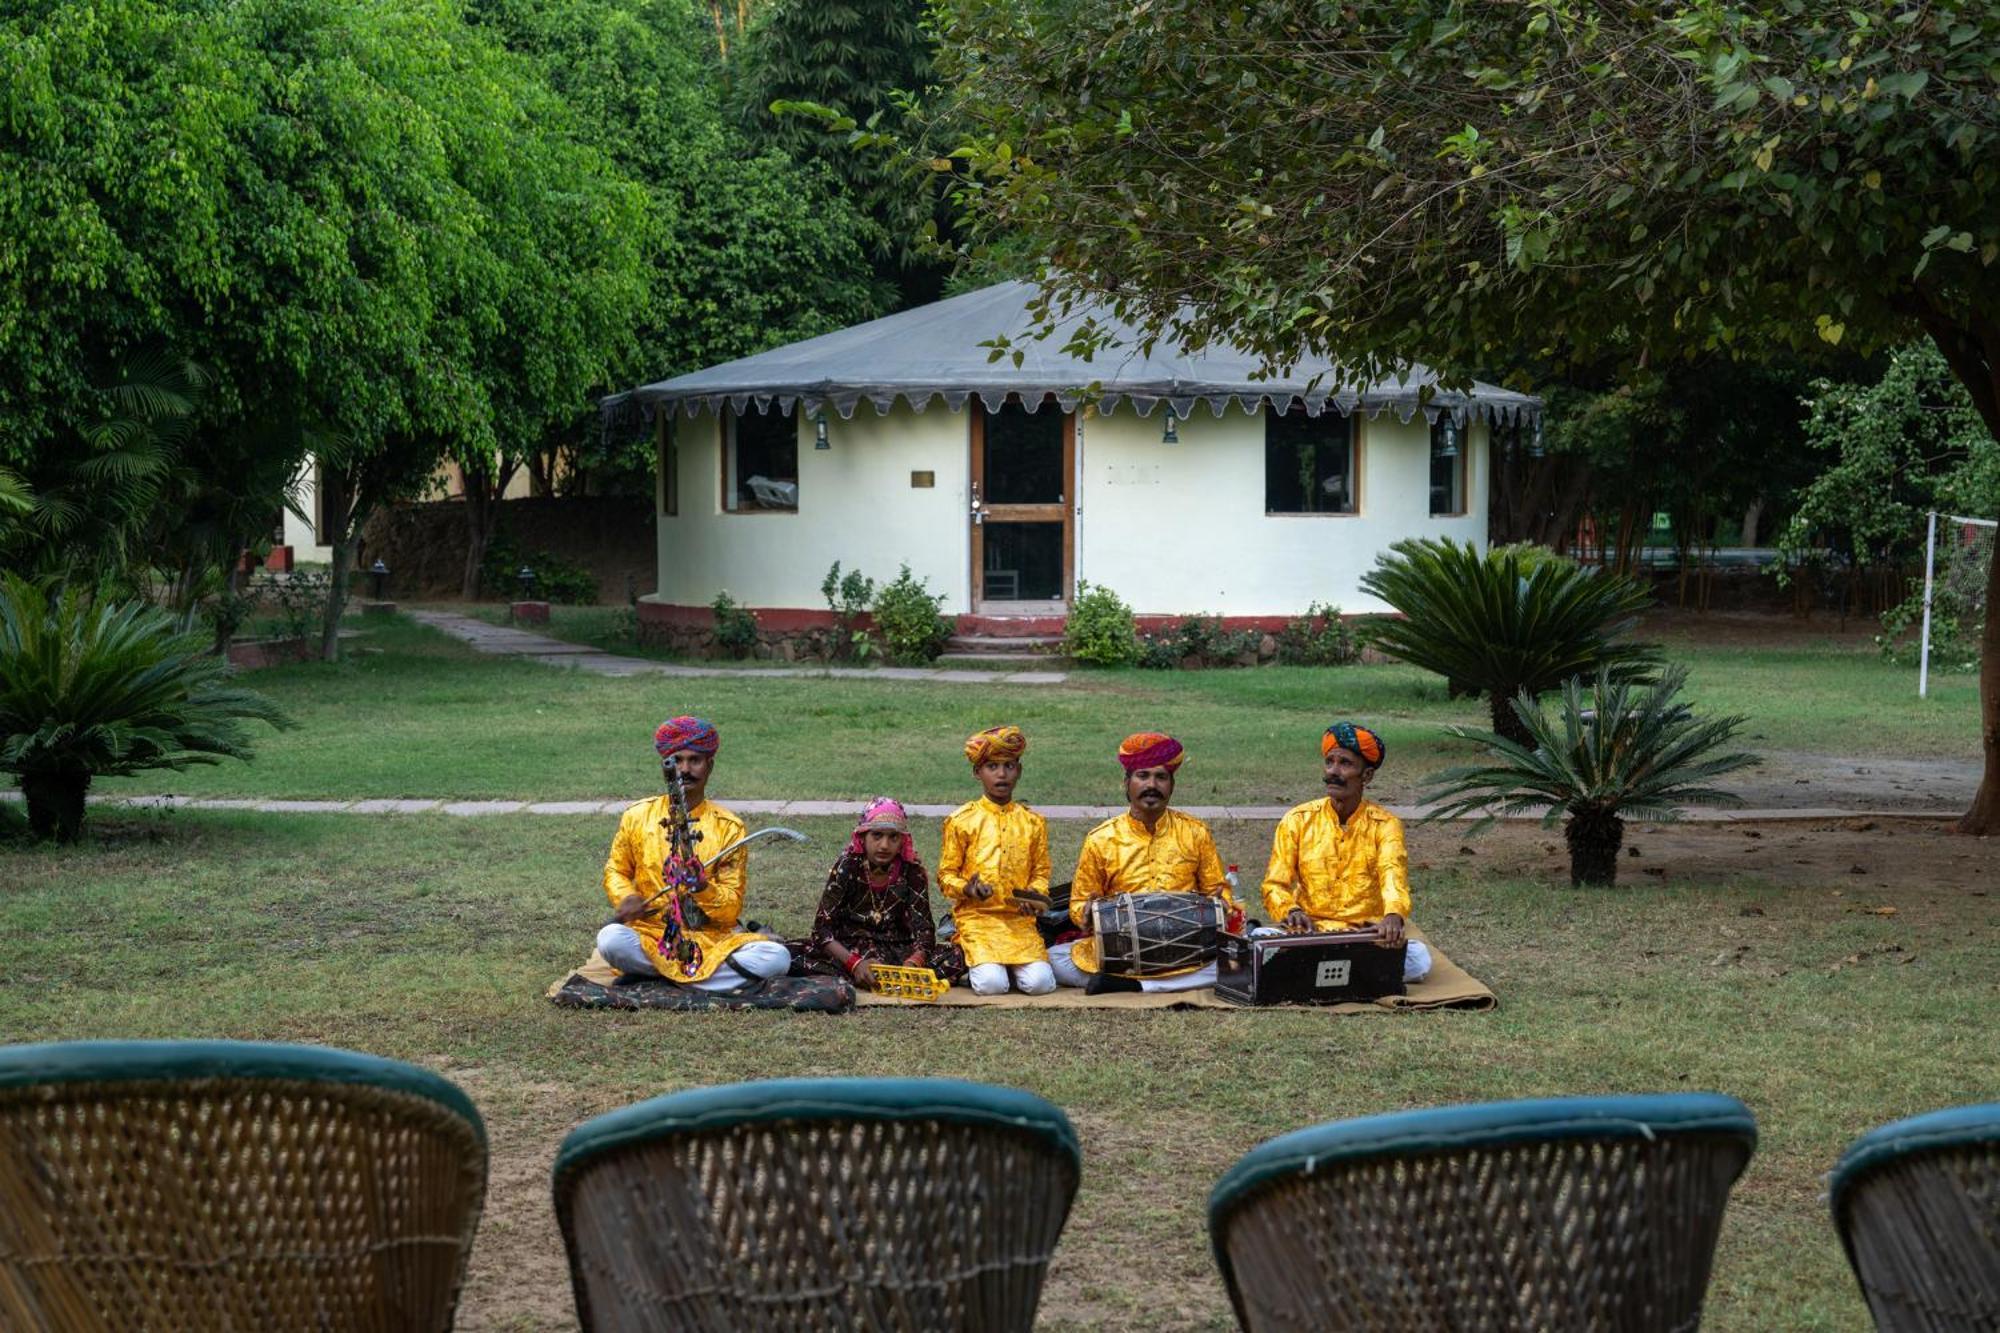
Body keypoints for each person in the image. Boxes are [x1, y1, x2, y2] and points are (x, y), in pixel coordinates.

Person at [595, 715, 793, 990]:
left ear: (709, 766)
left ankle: (660, 976)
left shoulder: (729, 827)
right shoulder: (637, 816)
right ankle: (705, 980)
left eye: (694, 760)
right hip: (652, 935)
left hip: (713, 940)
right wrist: (627, 896)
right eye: (677, 760)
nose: (684, 769)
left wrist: (702, 887)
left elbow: (730, 909)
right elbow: (616, 870)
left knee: (776, 958)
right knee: (610, 940)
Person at [1051, 732, 1239, 995]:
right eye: (1142, 776)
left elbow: (1219, 891)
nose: (1152, 785)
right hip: (1123, 951)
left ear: (1172, 785)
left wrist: (1222, 901)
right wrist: (1086, 913)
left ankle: (1138, 985)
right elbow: (1079, 903)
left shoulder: (1195, 832)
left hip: (1185, 947)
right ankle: (1158, 984)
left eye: (1161, 777)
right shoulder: (1101, 839)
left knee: (1241, 956)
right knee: (1052, 960)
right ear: (1126, 783)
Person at [1258, 720, 1432, 983]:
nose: (1333, 772)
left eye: (1345, 764)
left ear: (1367, 775)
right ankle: (1353, 973)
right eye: (1329, 762)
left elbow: (1392, 874)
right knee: (1257, 941)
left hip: (1363, 935)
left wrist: (1393, 916)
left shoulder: (1385, 825)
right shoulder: (1298, 819)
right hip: (1307, 933)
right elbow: (1274, 884)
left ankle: (1308, 972)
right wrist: (1291, 911)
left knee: (1419, 959)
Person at [791, 797, 967, 988]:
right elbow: (821, 930)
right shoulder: (847, 867)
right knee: (792, 955)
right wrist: (855, 964)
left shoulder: (912, 871)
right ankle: (875, 976)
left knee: (957, 956)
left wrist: (913, 963)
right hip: (850, 948)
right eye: (877, 835)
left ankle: (894, 977)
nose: (884, 845)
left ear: (902, 841)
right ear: (863, 836)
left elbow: (924, 932)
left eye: (893, 837)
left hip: (898, 951)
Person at [937, 725, 1057, 996]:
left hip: (1019, 922)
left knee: (1040, 984)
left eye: (1009, 766)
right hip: (978, 919)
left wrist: (1035, 897)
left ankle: (998, 966)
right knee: (992, 985)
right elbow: (946, 876)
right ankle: (980, 963)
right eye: (992, 766)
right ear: (977, 772)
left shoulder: (1033, 823)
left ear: (1019, 771)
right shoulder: (961, 821)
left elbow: (1040, 872)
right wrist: (967, 889)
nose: (1001, 774)